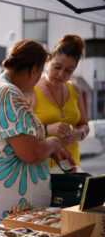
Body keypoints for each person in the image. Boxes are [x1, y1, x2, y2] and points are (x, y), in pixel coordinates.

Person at [0, 40, 75, 226]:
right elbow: (30, 153)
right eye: (40, 72)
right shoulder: (8, 93)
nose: (37, 80)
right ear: (33, 69)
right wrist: (53, 144)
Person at [28, 34, 89, 173]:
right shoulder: (31, 89)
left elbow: (84, 124)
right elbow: (21, 131)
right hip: (41, 170)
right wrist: (47, 129)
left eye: (68, 70)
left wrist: (80, 134)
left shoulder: (75, 89)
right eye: (57, 67)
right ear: (47, 61)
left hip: (72, 167)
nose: (61, 74)